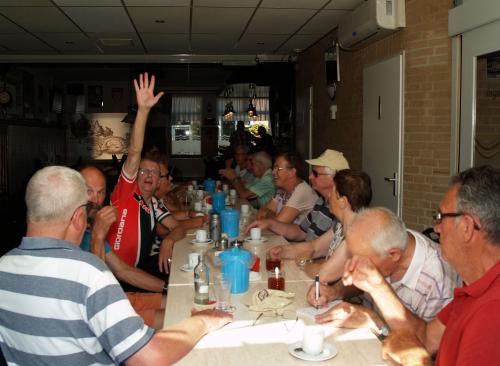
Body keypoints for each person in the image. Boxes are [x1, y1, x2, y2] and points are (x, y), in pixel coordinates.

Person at [0, 165, 232, 365]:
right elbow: (147, 359)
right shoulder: (87, 272)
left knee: (176, 310)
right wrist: (205, 321)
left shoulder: (4, 266)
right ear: (79, 217)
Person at [347, 166, 500, 366]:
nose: (436, 228)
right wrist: (376, 294)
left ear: (467, 227)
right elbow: (427, 339)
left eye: (441, 217)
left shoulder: (492, 312)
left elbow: (422, 354)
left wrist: (419, 363)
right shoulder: (473, 289)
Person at [312, 207, 460, 347]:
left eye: (363, 262)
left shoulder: (439, 281)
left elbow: (422, 350)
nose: (354, 265)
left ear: (394, 255)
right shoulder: (392, 240)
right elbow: (361, 279)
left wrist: (375, 322)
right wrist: (336, 291)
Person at [106, 73, 185, 276]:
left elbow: (178, 228)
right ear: (136, 174)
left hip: (138, 270)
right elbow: (134, 151)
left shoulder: (154, 205)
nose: (149, 175)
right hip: (114, 276)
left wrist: (168, 241)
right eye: (144, 171)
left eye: (155, 172)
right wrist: (143, 111)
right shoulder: (126, 191)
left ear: (160, 180)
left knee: (183, 269)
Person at [80, 165, 167, 329]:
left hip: (116, 297)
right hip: (97, 314)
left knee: (176, 300)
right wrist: (98, 234)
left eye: (101, 192)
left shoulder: (89, 229)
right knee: (176, 315)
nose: (96, 200)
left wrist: (168, 287)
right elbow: (96, 297)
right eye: (88, 191)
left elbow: (122, 270)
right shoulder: (70, 232)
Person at [269, 169, 371, 282]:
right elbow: (315, 247)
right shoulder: (340, 226)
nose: (328, 195)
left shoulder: (356, 235)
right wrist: (283, 250)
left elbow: (324, 274)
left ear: (343, 201)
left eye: (332, 191)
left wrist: (304, 264)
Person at [246, 149, 349, 241]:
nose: (310, 177)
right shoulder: (321, 201)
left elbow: (318, 248)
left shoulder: (345, 212)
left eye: (315, 173)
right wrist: (270, 222)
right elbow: (301, 232)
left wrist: (270, 219)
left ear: (334, 178)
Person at [257, 152, 317, 224]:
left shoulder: (302, 191)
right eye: (274, 168)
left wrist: (269, 214)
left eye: (278, 168)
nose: (273, 172)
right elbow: (261, 212)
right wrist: (272, 216)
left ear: (292, 172)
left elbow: (278, 224)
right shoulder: (282, 189)